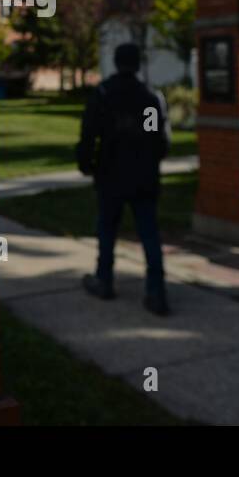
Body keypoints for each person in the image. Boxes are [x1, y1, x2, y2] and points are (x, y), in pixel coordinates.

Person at [76, 43, 171, 315]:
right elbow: (159, 142)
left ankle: (104, 279)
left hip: (111, 175)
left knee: (107, 228)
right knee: (149, 232)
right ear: (137, 65)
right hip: (143, 176)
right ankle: (157, 291)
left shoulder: (104, 95)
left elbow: (89, 135)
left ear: (116, 63)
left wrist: (86, 163)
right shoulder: (149, 99)